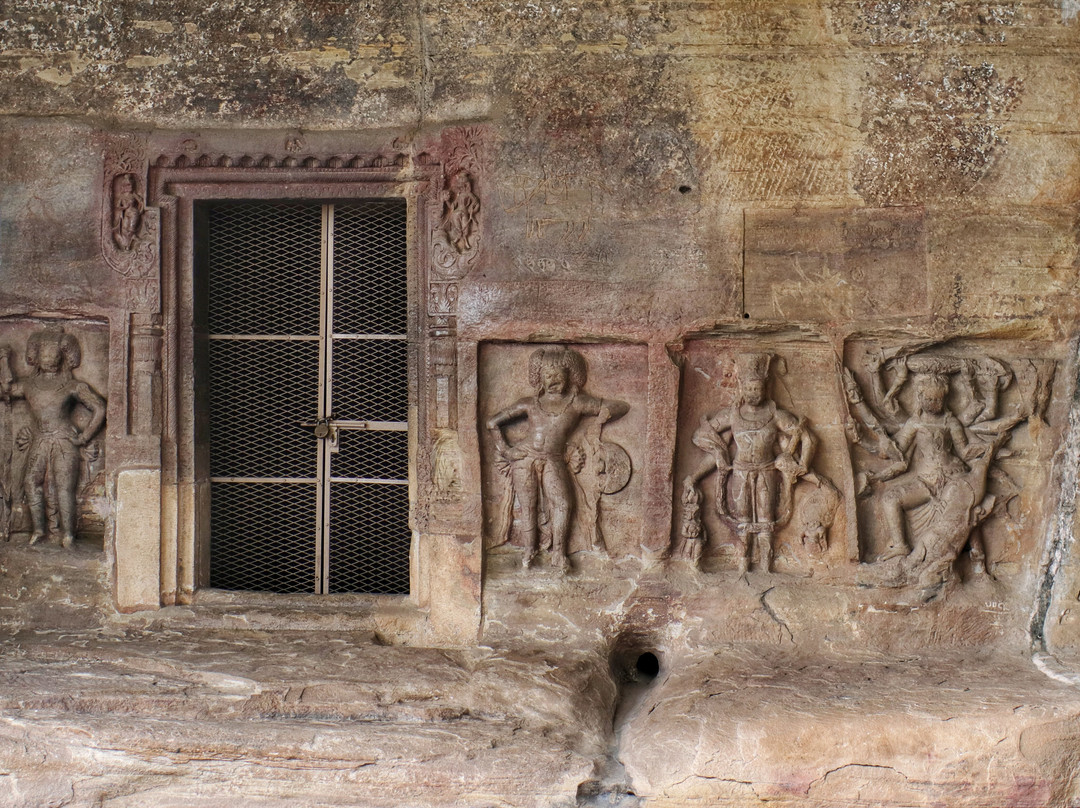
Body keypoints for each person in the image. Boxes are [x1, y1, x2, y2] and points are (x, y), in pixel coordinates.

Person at [488, 346, 628, 570]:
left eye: (558, 375)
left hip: (553, 458)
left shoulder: (577, 402)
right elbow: (493, 423)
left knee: (563, 503)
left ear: (569, 377)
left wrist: (602, 417)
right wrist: (506, 451)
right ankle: (528, 552)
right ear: (540, 380)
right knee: (528, 506)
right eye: (547, 375)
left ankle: (559, 554)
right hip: (525, 459)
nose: (553, 380)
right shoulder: (530, 403)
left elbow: (621, 406)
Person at [682, 352, 814, 572]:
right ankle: (743, 570)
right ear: (741, 388)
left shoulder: (776, 415)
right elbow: (700, 436)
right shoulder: (732, 415)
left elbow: (808, 438)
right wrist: (717, 453)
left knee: (766, 521)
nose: (753, 394)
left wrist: (802, 465)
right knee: (742, 522)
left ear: (765, 388)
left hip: (767, 471)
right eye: (749, 389)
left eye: (757, 389)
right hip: (740, 472)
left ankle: (765, 569)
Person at [0, 326, 106, 548]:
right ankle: (39, 530)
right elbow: (6, 390)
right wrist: (4, 362)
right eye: (43, 355)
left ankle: (68, 535)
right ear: (35, 357)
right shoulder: (30, 385)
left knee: (64, 486)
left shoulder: (71, 385)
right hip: (39, 439)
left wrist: (85, 437)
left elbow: (99, 408)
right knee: (30, 482)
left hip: (63, 439)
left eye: (53, 354)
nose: (48, 359)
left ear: (63, 357)